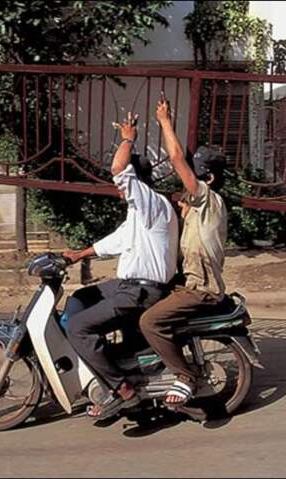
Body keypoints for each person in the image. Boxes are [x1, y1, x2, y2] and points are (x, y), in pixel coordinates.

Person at [61, 112, 179, 420]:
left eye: (125, 184)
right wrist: (79, 254)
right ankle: (107, 361)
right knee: (80, 299)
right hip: (130, 287)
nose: (119, 189)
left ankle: (122, 389)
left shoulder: (150, 202)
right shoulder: (140, 214)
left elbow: (117, 169)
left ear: (136, 182)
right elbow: (116, 240)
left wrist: (128, 138)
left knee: (78, 326)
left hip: (141, 291)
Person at [140, 96, 228, 408]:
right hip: (187, 282)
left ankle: (184, 374)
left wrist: (165, 122)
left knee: (149, 322)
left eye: (195, 173)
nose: (187, 179)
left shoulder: (209, 199)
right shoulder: (195, 206)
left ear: (209, 178)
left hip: (201, 289)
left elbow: (177, 160)